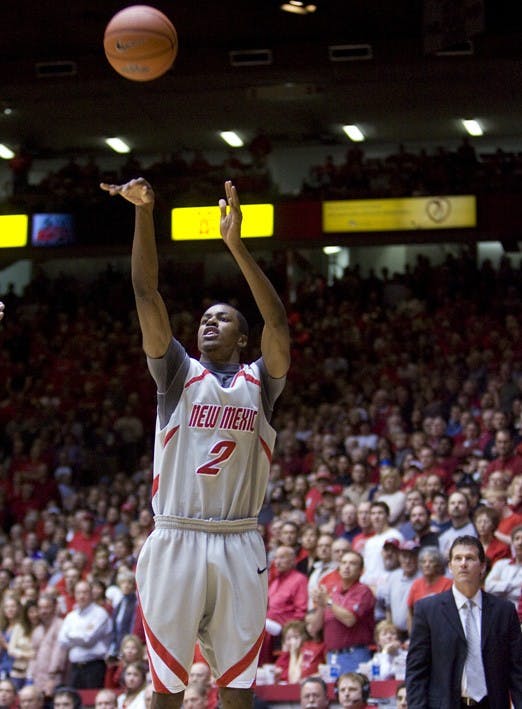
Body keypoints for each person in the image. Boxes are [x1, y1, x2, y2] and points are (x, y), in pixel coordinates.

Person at [100, 177, 290, 709]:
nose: (209, 321)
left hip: (238, 538)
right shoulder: (177, 373)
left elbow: (278, 320)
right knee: (167, 684)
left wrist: (236, 246)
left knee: (237, 687)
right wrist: (144, 212)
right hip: (176, 535)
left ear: (243, 338)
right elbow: (145, 292)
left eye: (222, 318)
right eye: (204, 318)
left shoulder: (262, 383)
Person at [406, 535, 522, 708]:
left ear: (482, 566)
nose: (463, 563)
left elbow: (517, 670)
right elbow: (416, 671)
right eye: (457, 558)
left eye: (470, 558)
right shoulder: (428, 609)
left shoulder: (504, 611)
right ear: (450, 566)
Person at [309, 550, 375, 675]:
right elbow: (314, 629)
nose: (347, 566)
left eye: (352, 563)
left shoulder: (363, 591)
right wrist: (321, 605)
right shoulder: (331, 592)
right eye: (344, 563)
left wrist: (327, 602)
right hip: (332, 656)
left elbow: (350, 620)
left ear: (361, 570)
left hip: (355, 654)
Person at [57, 580, 112, 689]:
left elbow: (88, 639)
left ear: (91, 594)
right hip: (74, 668)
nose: (82, 596)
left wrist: (70, 636)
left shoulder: (100, 614)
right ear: (74, 595)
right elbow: (62, 641)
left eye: (85, 592)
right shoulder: (71, 616)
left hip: (94, 667)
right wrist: (79, 636)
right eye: (79, 593)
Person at [484, 523, 522, 607]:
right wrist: (515, 584)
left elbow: (519, 593)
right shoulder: (501, 564)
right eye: (517, 538)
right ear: (512, 542)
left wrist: (500, 585)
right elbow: (488, 587)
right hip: (499, 613)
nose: (520, 542)